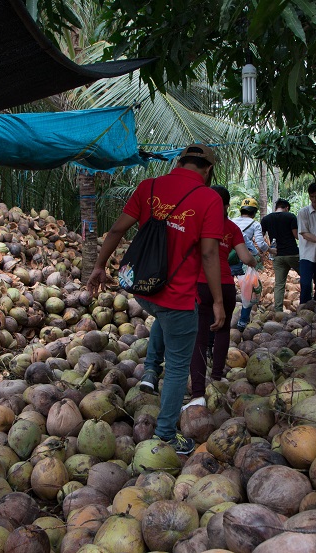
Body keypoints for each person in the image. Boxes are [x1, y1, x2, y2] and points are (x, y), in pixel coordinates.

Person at [86, 143, 225, 455]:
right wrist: (217, 300)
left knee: (165, 320)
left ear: (179, 162)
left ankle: (150, 371)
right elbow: (208, 252)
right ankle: (165, 433)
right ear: (207, 170)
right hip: (176, 299)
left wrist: (99, 266)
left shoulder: (148, 187)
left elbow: (117, 230)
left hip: (144, 291)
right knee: (177, 367)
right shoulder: (209, 198)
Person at [185, 186, 256, 409]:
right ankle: (216, 377)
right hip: (224, 285)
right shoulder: (232, 227)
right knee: (223, 329)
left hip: (201, 285)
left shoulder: (197, 223)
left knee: (199, 334)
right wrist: (253, 262)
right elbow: (245, 256)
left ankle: (197, 393)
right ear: (226, 205)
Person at [231, 197, 269, 330]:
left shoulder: (231, 221)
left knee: (227, 289)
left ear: (241, 210)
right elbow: (259, 242)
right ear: (254, 212)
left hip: (228, 259)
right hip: (244, 261)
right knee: (247, 291)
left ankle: (225, 317)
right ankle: (242, 322)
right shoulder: (255, 224)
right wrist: (264, 253)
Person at [260, 198, 299, 312]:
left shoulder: (266, 219)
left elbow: (260, 238)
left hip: (277, 255)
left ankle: (278, 310)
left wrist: (268, 250)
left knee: (279, 284)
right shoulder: (291, 216)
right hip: (292, 253)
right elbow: (296, 235)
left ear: (276, 207)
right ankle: (307, 304)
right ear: (286, 208)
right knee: (306, 278)